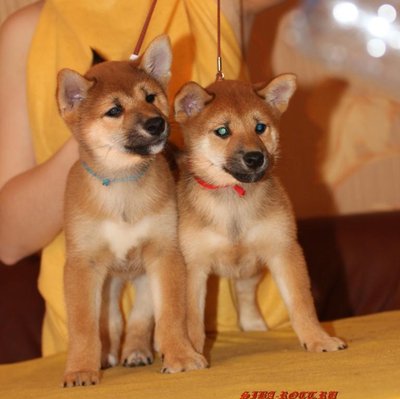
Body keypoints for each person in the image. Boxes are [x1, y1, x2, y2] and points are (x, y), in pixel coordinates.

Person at [0, 0, 288, 357]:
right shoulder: (27, 30)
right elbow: (9, 241)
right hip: (96, 349)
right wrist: (95, 131)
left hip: (240, 330)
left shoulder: (214, 5)